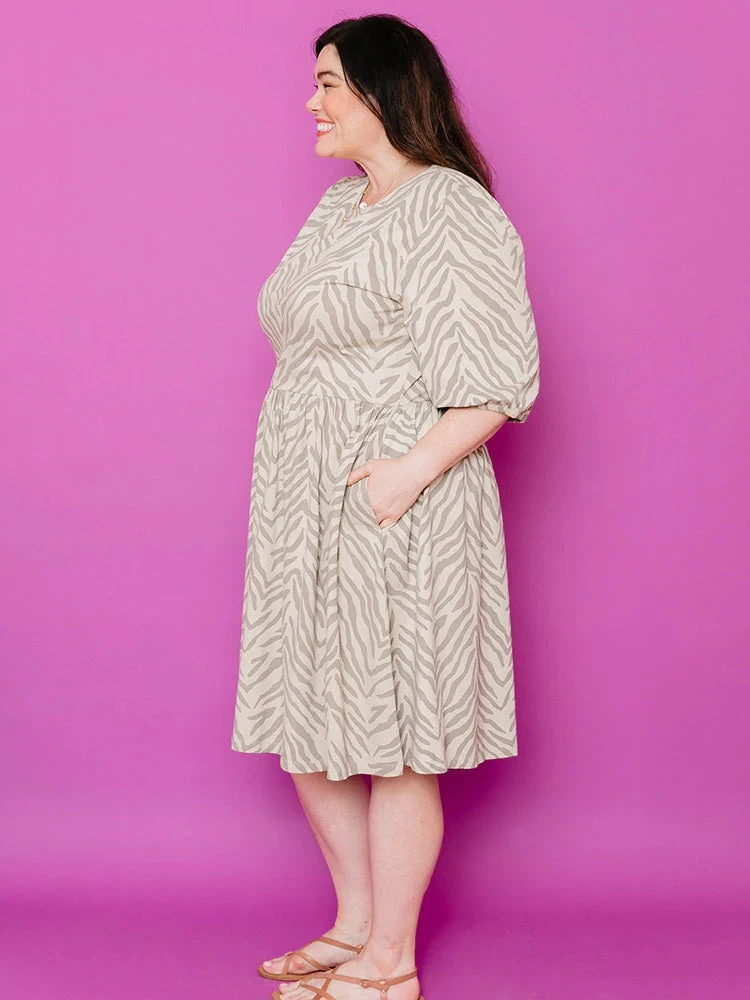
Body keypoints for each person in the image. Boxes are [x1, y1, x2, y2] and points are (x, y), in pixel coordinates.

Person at [230, 13, 541, 1000]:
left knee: (397, 731)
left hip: (400, 505)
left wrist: (406, 474)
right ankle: (357, 924)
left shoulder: (450, 207)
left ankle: (390, 964)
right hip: (304, 508)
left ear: (384, 89)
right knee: (308, 714)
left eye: (328, 82)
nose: (311, 102)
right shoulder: (338, 209)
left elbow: (497, 379)